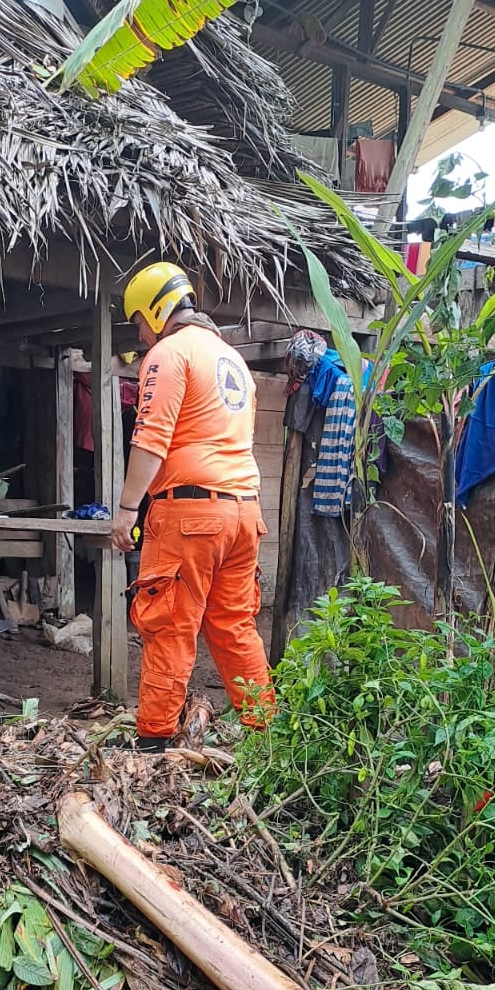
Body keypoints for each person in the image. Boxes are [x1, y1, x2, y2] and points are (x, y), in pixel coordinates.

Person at [113, 261, 273, 752]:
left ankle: (154, 742)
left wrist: (125, 510)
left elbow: (151, 439)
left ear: (157, 310)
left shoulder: (169, 354)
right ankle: (269, 737)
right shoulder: (232, 361)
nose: (140, 334)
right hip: (245, 511)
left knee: (168, 624)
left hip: (190, 516)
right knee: (234, 625)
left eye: (139, 320)